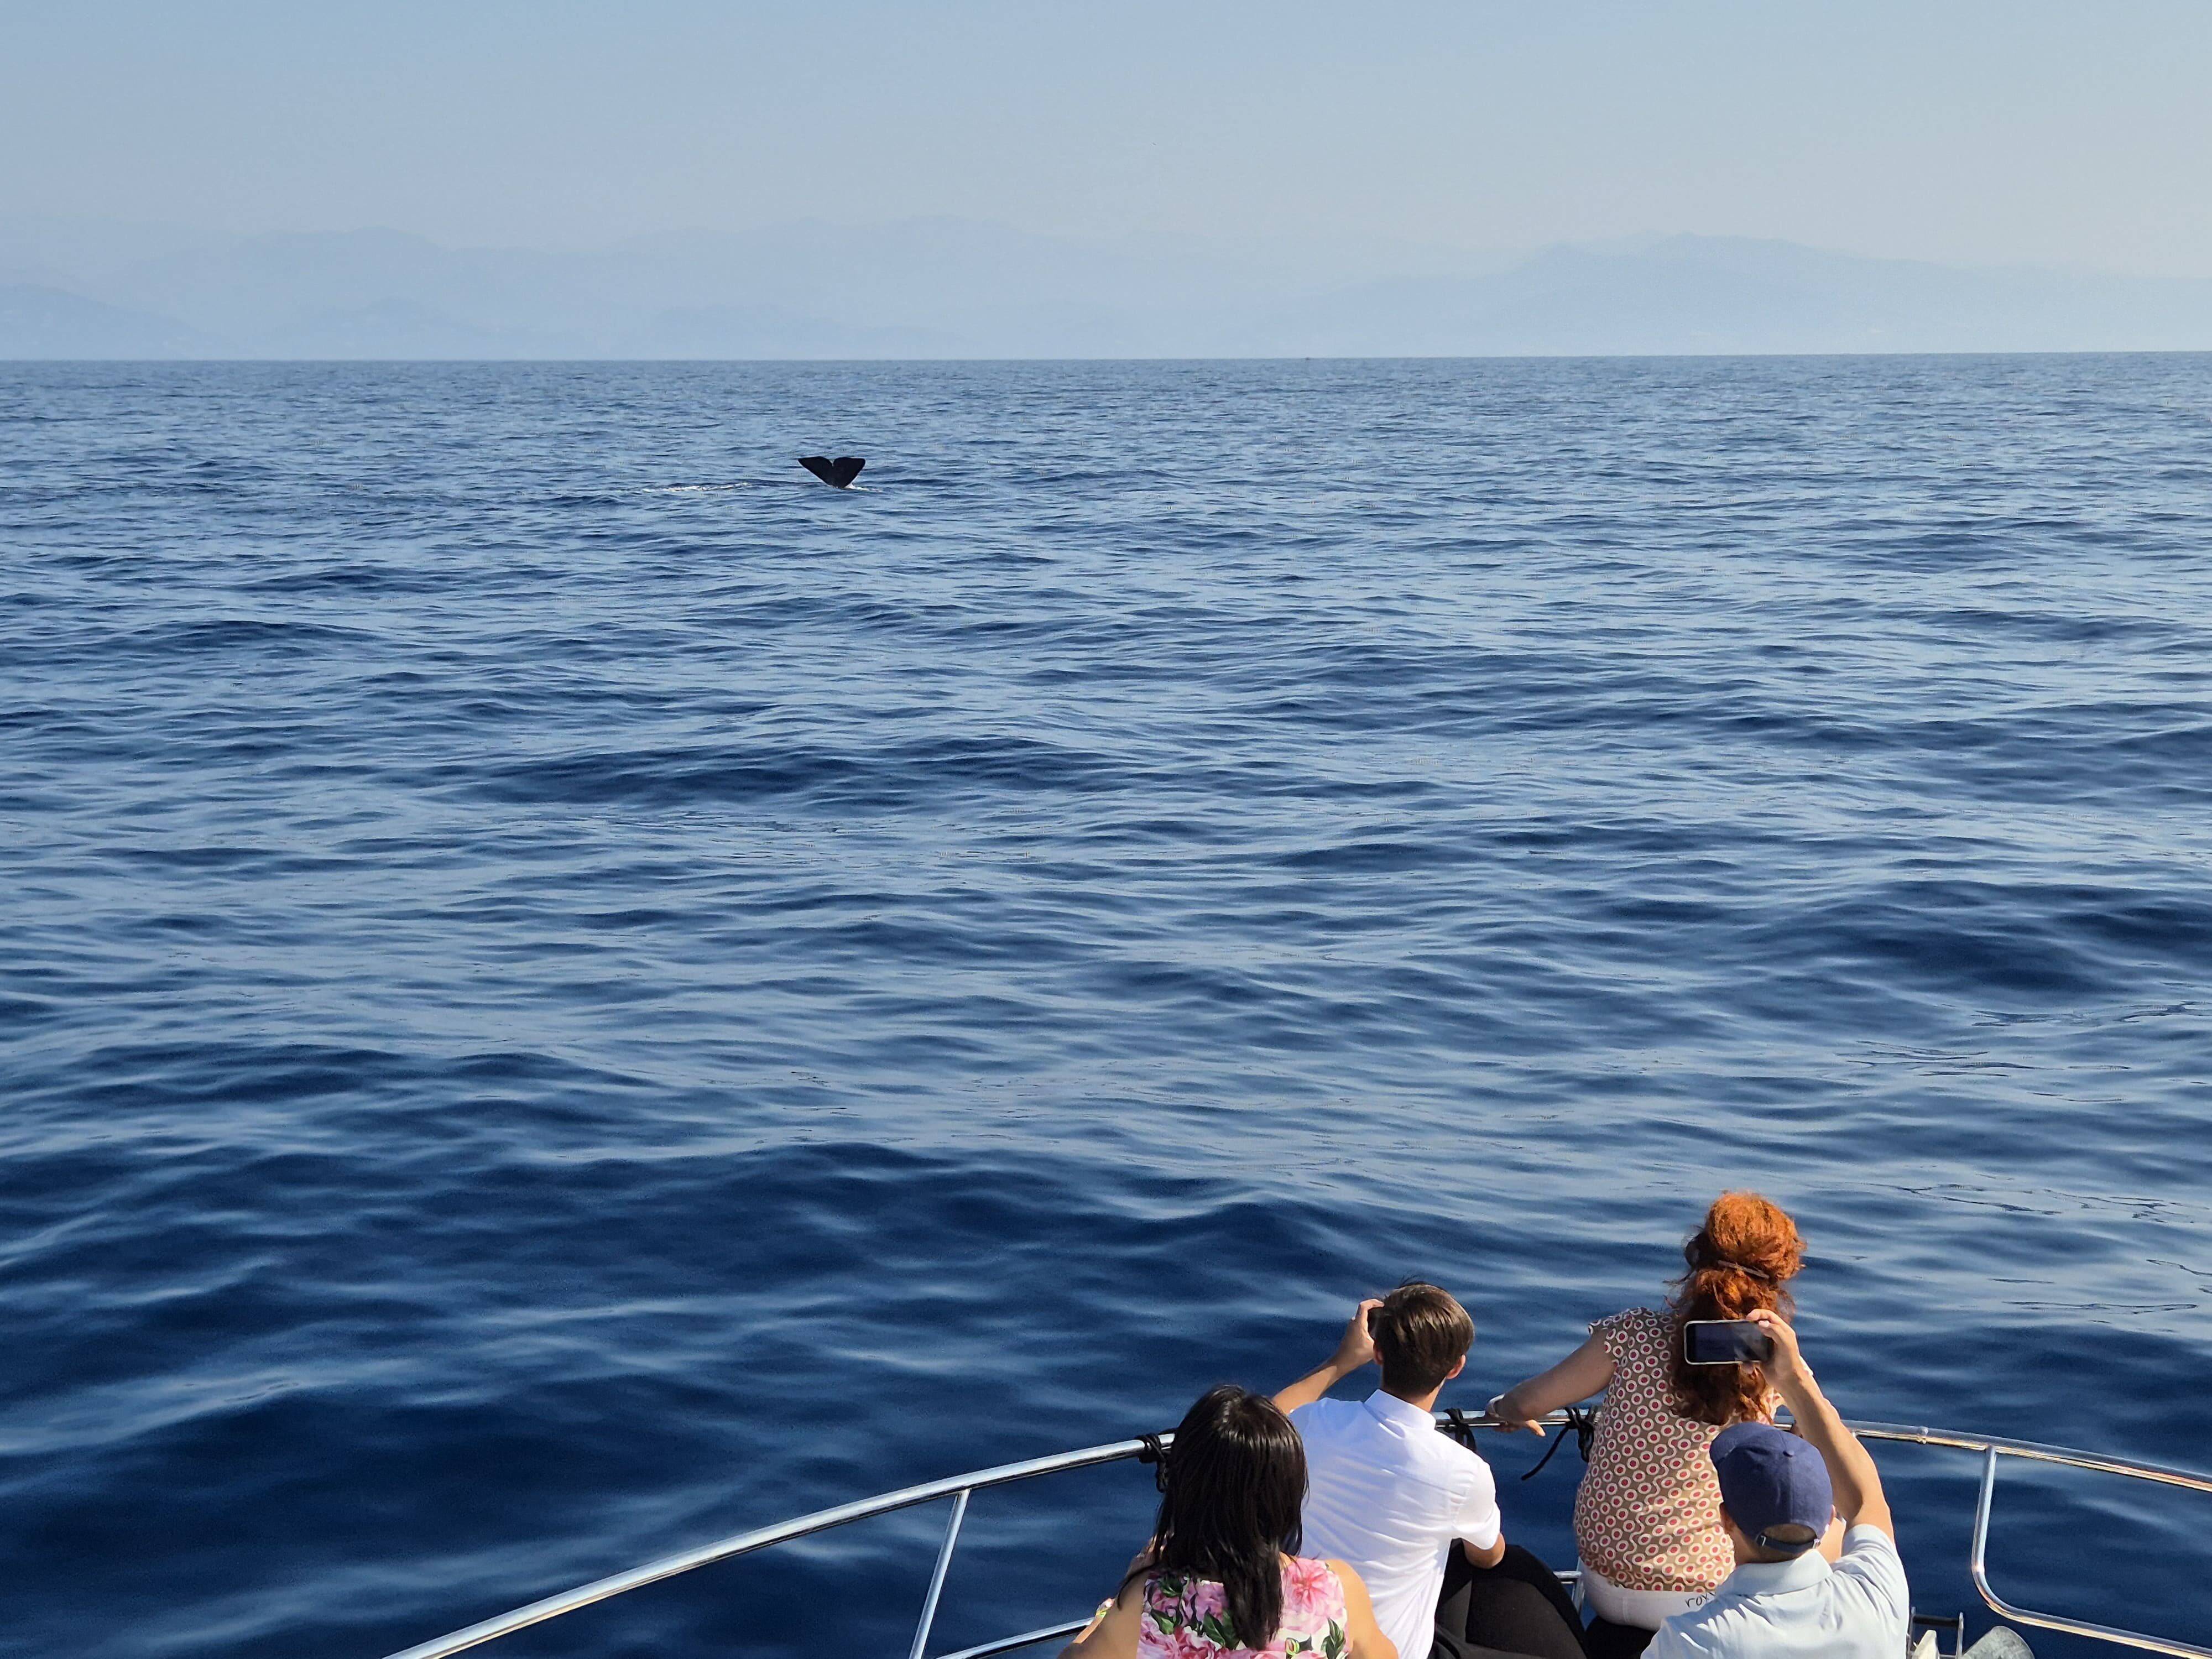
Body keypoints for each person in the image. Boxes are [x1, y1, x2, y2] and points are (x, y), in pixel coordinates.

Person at [1489, 1193, 1804, 1654]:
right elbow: (1810, 1465)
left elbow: (1528, 1402)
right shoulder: (1771, 1364)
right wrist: (1791, 1374)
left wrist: (1506, 1408)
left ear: (1696, 1258)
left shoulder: (1632, 1334)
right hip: (1703, 1598)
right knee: (1825, 1523)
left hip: (1604, 1580)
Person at [1274, 1284, 1584, 1659]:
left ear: (1378, 1353)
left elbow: (1273, 1415)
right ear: (1457, 1367)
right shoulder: (1463, 1471)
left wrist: (1343, 1359)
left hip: (1304, 1642)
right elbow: (1488, 1557)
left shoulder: (1316, 1422)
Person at [1060, 1384, 1397, 1659]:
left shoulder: (1156, 1599)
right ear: (1286, 1495)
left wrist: (1115, 1602)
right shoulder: (1336, 1588)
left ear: (1187, 1489)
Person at [1642, 1308, 1908, 1657]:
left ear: (1726, 1519)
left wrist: (1790, 1379)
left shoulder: (1691, 1640)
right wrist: (1795, 1378)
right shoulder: (1875, 1595)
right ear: (1830, 1520)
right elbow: (1865, 1501)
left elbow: (1863, 1501)